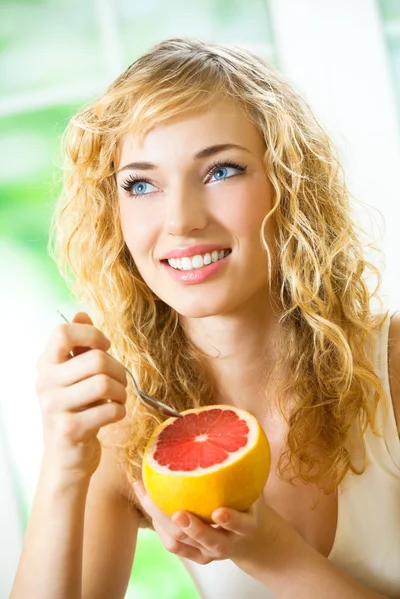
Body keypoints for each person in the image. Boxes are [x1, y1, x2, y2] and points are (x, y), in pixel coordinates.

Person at [10, 37, 400, 599]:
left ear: (289, 187)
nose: (181, 221)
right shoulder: (130, 433)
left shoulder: (391, 365)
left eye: (220, 171)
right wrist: (65, 469)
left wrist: (269, 552)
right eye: (141, 184)